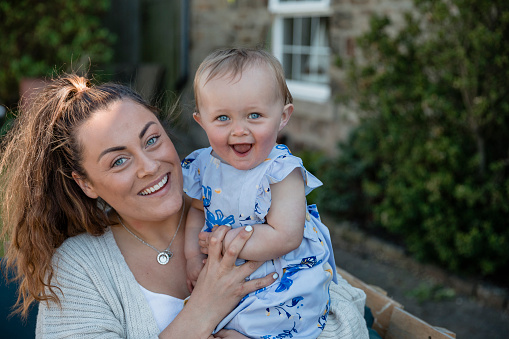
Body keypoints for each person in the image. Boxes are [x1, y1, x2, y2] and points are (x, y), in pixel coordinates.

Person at [0, 73, 279, 338]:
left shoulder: (253, 206)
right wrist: (204, 309)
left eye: (152, 140)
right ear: (86, 183)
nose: (149, 166)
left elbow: (321, 312)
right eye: (119, 161)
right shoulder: (79, 267)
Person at [181, 48, 350, 338]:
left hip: (280, 276)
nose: (239, 130)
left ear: (283, 117)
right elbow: (196, 210)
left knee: (277, 317)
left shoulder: (282, 172)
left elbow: (286, 236)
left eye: (255, 115)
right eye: (222, 118)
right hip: (225, 272)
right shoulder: (202, 165)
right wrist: (192, 257)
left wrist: (223, 244)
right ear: (201, 121)